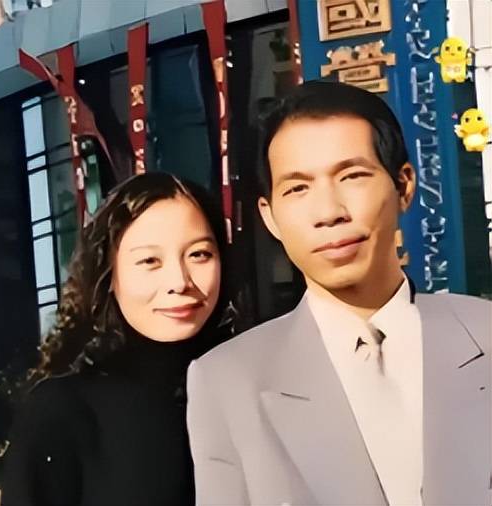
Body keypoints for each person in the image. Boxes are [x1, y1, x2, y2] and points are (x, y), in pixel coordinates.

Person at [187, 81, 491, 506]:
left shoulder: (484, 333)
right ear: (270, 217)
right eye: (297, 188)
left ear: (403, 186)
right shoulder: (227, 381)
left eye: (352, 176)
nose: (329, 212)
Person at [0, 172, 234, 506]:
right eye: (150, 261)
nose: (179, 281)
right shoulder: (61, 412)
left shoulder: (253, 384)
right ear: (110, 273)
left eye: (198, 254)